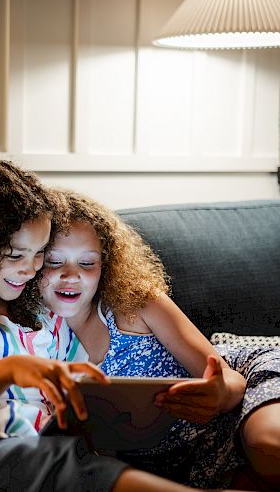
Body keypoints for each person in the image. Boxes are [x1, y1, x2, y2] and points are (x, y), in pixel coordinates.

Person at [0, 156, 222, 492]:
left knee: (90, 465)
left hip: (56, 452)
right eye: (15, 254)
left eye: (38, 255)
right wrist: (5, 372)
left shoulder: (40, 319)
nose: (30, 268)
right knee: (85, 472)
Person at [35, 188, 280, 491]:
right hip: (183, 460)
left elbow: (231, 378)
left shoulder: (134, 305)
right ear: (32, 262)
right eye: (54, 261)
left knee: (268, 448)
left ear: (105, 266)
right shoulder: (34, 339)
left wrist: (219, 395)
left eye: (87, 263)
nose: (72, 276)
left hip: (243, 395)